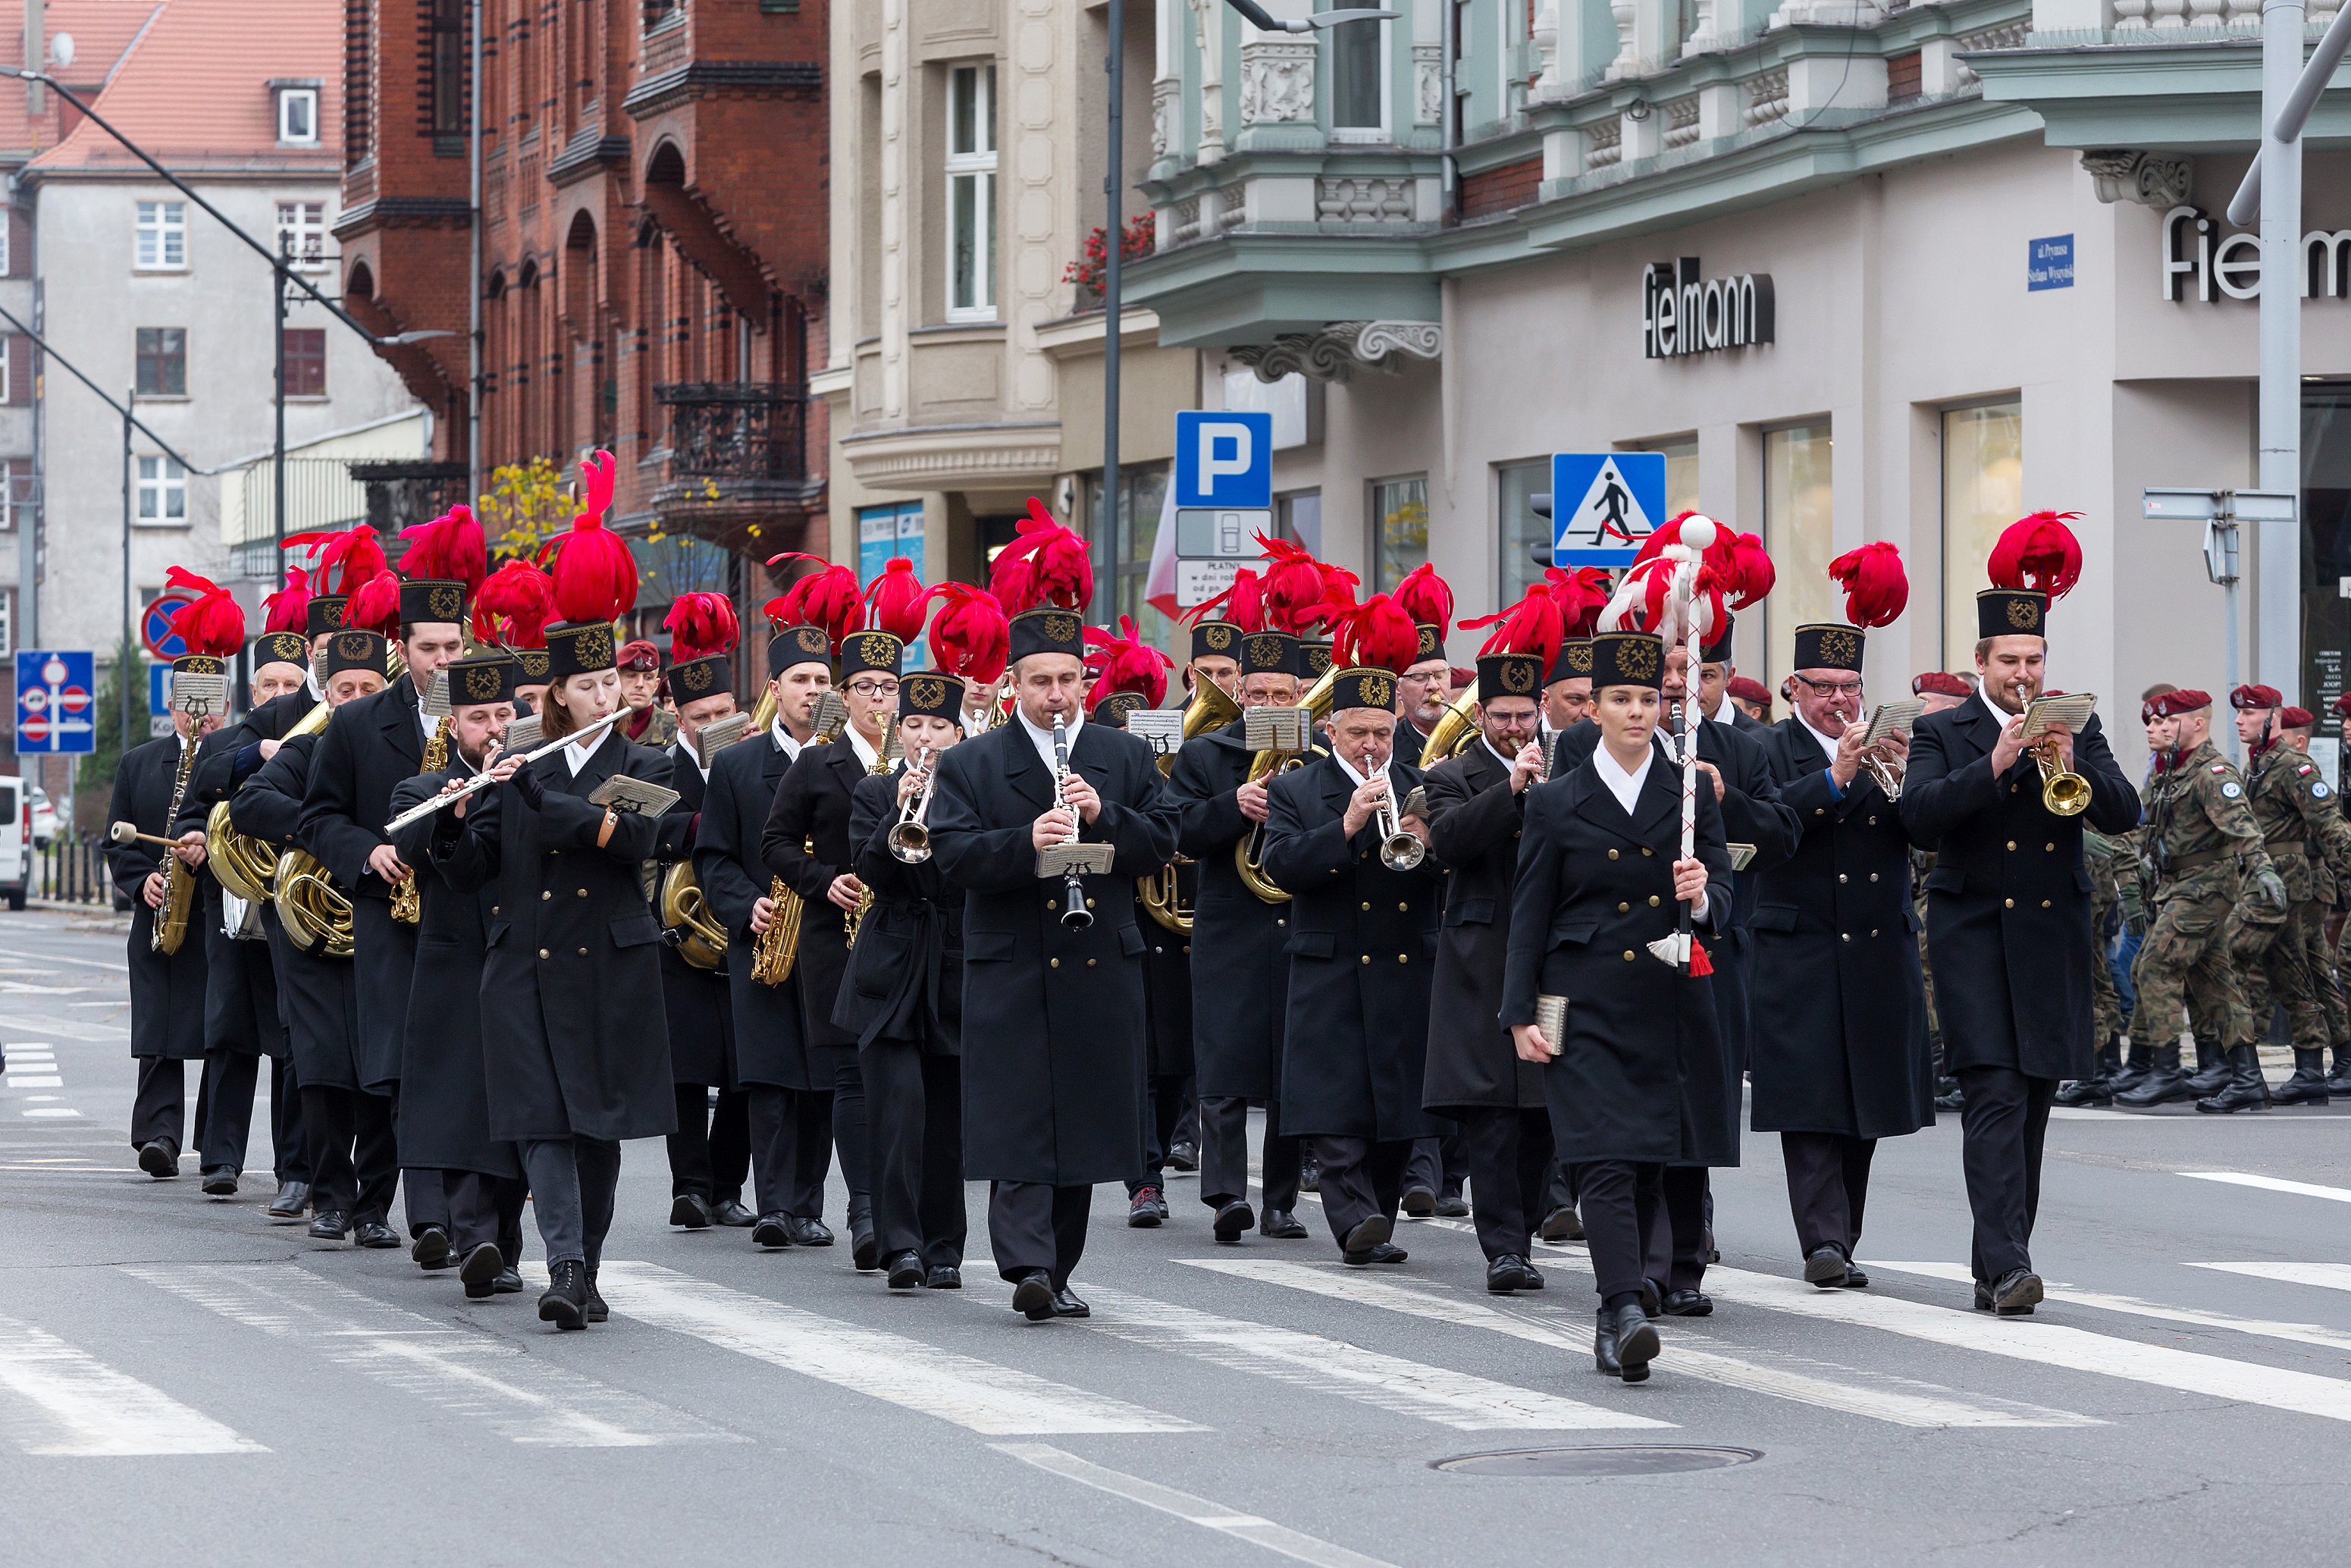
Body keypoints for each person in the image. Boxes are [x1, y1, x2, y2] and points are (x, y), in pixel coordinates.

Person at [1902, 528, 2142, 1313]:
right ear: (1980, 662)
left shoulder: (2076, 723)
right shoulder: (1943, 732)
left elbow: (2122, 811)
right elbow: (1919, 817)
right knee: (1994, 1094)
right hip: (1971, 933)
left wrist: (2069, 762)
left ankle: (1995, 1265)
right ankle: (2008, 1264)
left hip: (2048, 936)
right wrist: (1997, 763)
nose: (2022, 674)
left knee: (2033, 1099)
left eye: (2032, 660)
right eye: (2008, 661)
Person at [926, 598, 1180, 1321]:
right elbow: (948, 854)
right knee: (1019, 1120)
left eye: (1069, 680)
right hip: (1012, 966)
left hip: (1099, 962)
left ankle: (1058, 1269)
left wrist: (1106, 816)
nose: (1057, 696)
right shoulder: (974, 761)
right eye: (1040, 682)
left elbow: (1163, 840)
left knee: (1084, 1123)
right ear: (1014, 685)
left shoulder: (1124, 754)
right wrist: (1023, 842)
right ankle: (1027, 1264)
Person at [437, 599, 683, 1330]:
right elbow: (470, 870)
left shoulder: (646, 761)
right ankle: (566, 1267)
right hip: (522, 966)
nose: (605, 697)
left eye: (610, 682)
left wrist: (540, 798)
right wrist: (454, 822)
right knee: (541, 1122)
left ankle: (589, 1266)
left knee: (595, 1128)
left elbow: (641, 840)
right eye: (588, 686)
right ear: (556, 698)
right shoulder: (517, 763)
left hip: (608, 965)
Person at [1504, 629, 1733, 1382]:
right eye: (1621, 699)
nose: (1638, 712)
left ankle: (1617, 1305)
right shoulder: (1555, 801)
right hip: (1584, 999)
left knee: (1643, 1163)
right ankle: (1621, 1303)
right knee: (1601, 1156)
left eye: (1648, 699)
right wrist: (1518, 1014)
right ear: (1592, 709)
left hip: (1668, 996)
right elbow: (1528, 915)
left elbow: (1725, 901)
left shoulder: (1689, 796)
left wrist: (1702, 898)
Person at [1745, 604, 1930, 1290]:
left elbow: (1928, 832)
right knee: (1813, 1101)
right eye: (1822, 687)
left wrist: (1910, 779)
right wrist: (1834, 779)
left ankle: (1842, 1236)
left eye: (1849, 685)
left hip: (1878, 949)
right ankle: (1821, 1241)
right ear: (1793, 689)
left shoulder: (1892, 745)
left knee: (1867, 1104)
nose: (1838, 700)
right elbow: (1763, 827)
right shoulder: (1766, 748)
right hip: (1802, 950)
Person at [299, 550, 472, 1266]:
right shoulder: (358, 723)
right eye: (428, 648)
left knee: (457, 1066)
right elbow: (317, 817)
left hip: (463, 913)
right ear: (402, 649)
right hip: (387, 917)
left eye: (453, 646)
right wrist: (367, 851)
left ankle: (445, 1212)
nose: (441, 660)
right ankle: (417, 1212)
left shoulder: (490, 716)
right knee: (396, 1067)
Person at [1260, 609, 1446, 1265]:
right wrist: (1341, 828)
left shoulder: (1422, 787)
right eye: (1357, 733)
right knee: (1335, 1108)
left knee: (1396, 1111)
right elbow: (1280, 866)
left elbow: (1448, 875)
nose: (1371, 745)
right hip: (1330, 963)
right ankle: (1353, 1220)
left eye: (1381, 732)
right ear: (1330, 730)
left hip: (1403, 964)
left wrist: (1430, 844)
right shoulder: (1295, 789)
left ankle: (1379, 1217)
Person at [233, 631, 398, 1246]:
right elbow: (251, 803)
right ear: (325, 694)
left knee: (382, 1068)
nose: (355, 699)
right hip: (311, 932)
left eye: (368, 689)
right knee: (323, 1067)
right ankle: (332, 1198)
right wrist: (322, 831)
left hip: (382, 926)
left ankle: (376, 1206)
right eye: (344, 689)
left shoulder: (399, 748)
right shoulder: (307, 748)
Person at [174, 597, 324, 1217]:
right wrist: (192, 846)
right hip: (236, 914)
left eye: (292, 684)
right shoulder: (234, 742)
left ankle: (295, 1170)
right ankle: (221, 1160)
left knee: (292, 1043)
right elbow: (193, 811)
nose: (280, 693)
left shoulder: (327, 731)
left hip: (298, 909)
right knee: (231, 1036)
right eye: (271, 684)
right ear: (255, 688)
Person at [762, 622, 904, 1272]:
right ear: (842, 696)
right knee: (850, 1076)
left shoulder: (921, 760)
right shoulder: (818, 762)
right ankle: (865, 1209)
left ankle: (905, 1208)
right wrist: (825, 882)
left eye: (890, 686)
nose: (879, 699)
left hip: (907, 938)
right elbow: (777, 843)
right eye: (866, 687)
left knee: (903, 1078)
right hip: (836, 938)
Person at [1165, 616, 1311, 1241]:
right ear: (1241, 694)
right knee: (1223, 1059)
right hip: (1229, 924)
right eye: (1260, 695)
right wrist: (1233, 807)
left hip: (1297, 924)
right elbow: (1177, 833)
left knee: (1290, 1066)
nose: (1272, 706)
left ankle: (1280, 1201)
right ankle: (1227, 1194)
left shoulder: (1316, 755)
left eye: (1285, 696)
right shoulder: (1204, 753)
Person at [1420, 627, 1556, 1293]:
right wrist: (1510, 790)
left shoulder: (1567, 770)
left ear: (1539, 715)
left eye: (1523, 716)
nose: (1512, 727)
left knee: (1540, 1113)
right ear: (1479, 716)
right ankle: (1503, 1246)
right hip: (1478, 960)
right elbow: (1448, 841)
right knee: (1491, 1114)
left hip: (1548, 960)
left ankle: (1523, 1232)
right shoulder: (1449, 776)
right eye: (1500, 716)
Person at [389, 652, 528, 1300]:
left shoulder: (537, 779)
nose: (495, 727)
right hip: (456, 966)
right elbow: (421, 851)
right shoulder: (423, 790)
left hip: (523, 961)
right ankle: (476, 1239)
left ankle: (505, 1242)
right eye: (479, 718)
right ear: (453, 726)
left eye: (504, 713)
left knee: (519, 1108)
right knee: (461, 1106)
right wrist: (455, 814)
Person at [697, 621, 837, 1250]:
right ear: (774, 688)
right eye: (800, 680)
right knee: (771, 1078)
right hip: (764, 941)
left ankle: (808, 1204)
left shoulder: (846, 759)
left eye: (821, 681)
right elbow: (714, 856)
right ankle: (776, 1205)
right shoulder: (735, 764)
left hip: (831, 940)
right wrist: (744, 904)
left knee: (822, 1081)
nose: (812, 691)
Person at [836, 670, 970, 1290]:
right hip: (889, 966)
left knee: (945, 1116)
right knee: (897, 1111)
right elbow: (869, 871)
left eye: (936, 726)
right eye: (912, 725)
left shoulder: (973, 792)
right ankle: (901, 1247)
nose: (923, 737)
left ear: (959, 732)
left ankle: (945, 1247)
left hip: (951, 962)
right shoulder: (873, 790)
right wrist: (898, 812)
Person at [2108, 689, 2275, 1111]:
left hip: (2206, 886)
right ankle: (2247, 1077)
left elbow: (2243, 826)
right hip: (2179, 886)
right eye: (2153, 723)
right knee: (2216, 980)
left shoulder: (2212, 771)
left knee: (2154, 965)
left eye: (2167, 722)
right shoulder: (2171, 771)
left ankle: (2165, 1072)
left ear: (2198, 723)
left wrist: (2263, 867)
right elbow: (2144, 825)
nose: (2157, 729)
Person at [108, 642, 230, 1180]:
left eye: (209, 699)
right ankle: (159, 1135)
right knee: (158, 1027)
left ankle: (214, 1143)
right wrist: (143, 882)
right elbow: (116, 841)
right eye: (188, 699)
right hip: (158, 916)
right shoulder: (138, 763)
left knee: (221, 1032)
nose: (198, 711)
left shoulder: (236, 758)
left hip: (217, 915)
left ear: (224, 704)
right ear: (173, 702)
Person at [657, 604, 754, 1228]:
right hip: (678, 938)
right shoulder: (657, 765)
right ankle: (689, 1186)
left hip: (742, 930)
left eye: (723, 715)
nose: (714, 725)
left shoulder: (752, 766)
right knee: (686, 1070)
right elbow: (648, 826)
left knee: (746, 1068)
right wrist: (707, 820)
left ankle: (726, 1185)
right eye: (702, 718)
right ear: (679, 717)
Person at [2225, 686, 2351, 1108]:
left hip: (2286, 883)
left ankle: (2232, 1067)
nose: (2241, 720)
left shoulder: (2294, 767)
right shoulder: (2259, 765)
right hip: (2265, 881)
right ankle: (2310, 1072)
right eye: (2239, 713)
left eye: (2250, 712)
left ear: (2272, 716)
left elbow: (2329, 824)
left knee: (2223, 957)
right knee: (2292, 973)